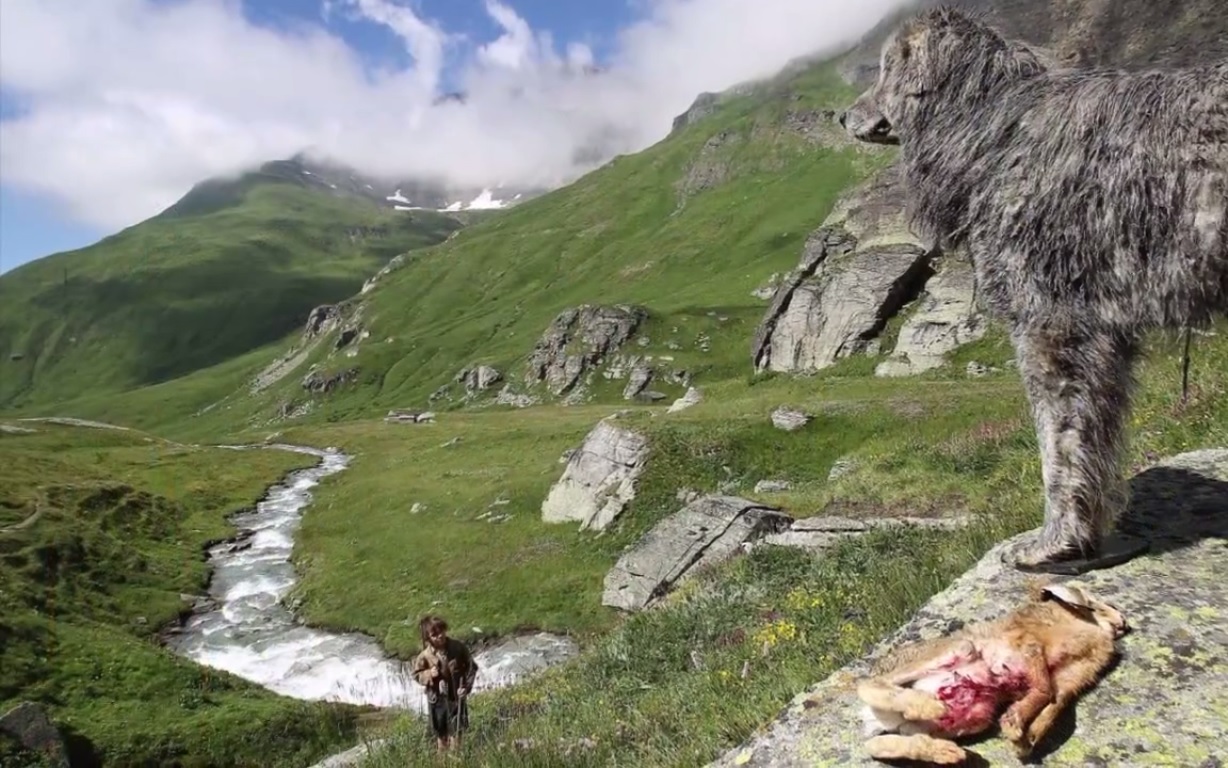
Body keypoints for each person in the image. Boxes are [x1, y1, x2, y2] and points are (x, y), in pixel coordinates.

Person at [411, 614, 478, 753]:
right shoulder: (425, 656)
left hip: (456, 698)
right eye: (434, 635)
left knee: (457, 733)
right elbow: (416, 674)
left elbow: (472, 667)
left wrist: (466, 688)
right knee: (441, 736)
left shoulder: (457, 648)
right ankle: (442, 762)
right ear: (428, 638)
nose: (440, 636)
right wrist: (429, 673)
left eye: (441, 631)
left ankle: (457, 760)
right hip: (437, 702)